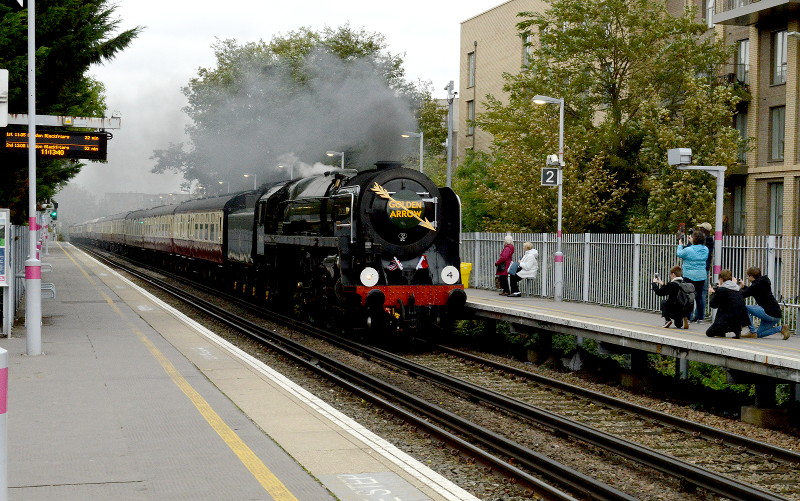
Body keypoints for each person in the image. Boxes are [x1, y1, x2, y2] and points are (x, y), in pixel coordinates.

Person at [737, 267, 790, 340]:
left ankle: (752, 331)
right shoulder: (763, 282)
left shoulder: (756, 285)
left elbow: (743, 295)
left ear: (751, 276)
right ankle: (781, 328)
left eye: (748, 276)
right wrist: (744, 287)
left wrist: (736, 287)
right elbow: (752, 291)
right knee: (759, 334)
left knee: (744, 308)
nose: (748, 278)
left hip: (768, 313)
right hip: (776, 315)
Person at [705, 269, 750, 338]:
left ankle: (721, 329)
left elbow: (713, 305)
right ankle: (737, 331)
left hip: (728, 318)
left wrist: (712, 294)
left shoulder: (722, 290)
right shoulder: (738, 288)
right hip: (741, 319)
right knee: (727, 306)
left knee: (709, 333)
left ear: (721, 279)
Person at [677, 230, 709, 324]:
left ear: (694, 239)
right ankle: (700, 318)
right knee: (699, 297)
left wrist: (680, 245)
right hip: (701, 275)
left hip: (689, 275)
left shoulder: (689, 249)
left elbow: (680, 254)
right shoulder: (705, 249)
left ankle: (688, 317)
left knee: (688, 296)